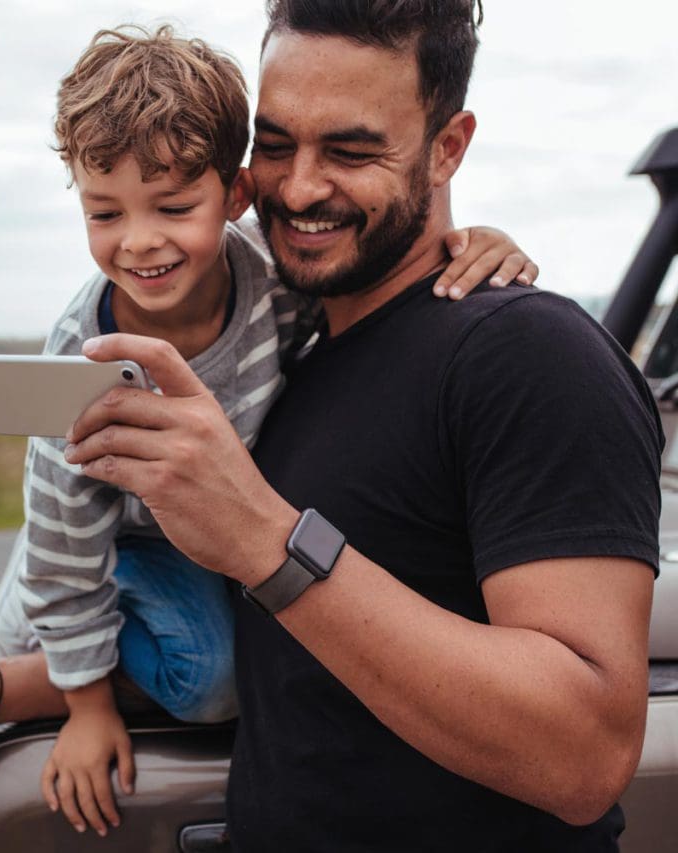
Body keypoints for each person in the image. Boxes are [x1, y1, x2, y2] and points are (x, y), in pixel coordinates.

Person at [0, 15, 547, 845]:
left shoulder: (275, 281)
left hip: (208, 536)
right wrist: (88, 707)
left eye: (172, 205)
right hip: (108, 542)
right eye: (105, 214)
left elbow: (378, 270)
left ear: (233, 196)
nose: (140, 241)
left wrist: (473, 240)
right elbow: (60, 532)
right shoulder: (82, 354)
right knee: (205, 675)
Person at [56, 2, 664, 851]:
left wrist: (269, 542)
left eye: (350, 150)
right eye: (274, 147)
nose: (301, 187)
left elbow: (586, 752)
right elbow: (261, 658)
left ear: (447, 147)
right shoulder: (291, 354)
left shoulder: (530, 354)